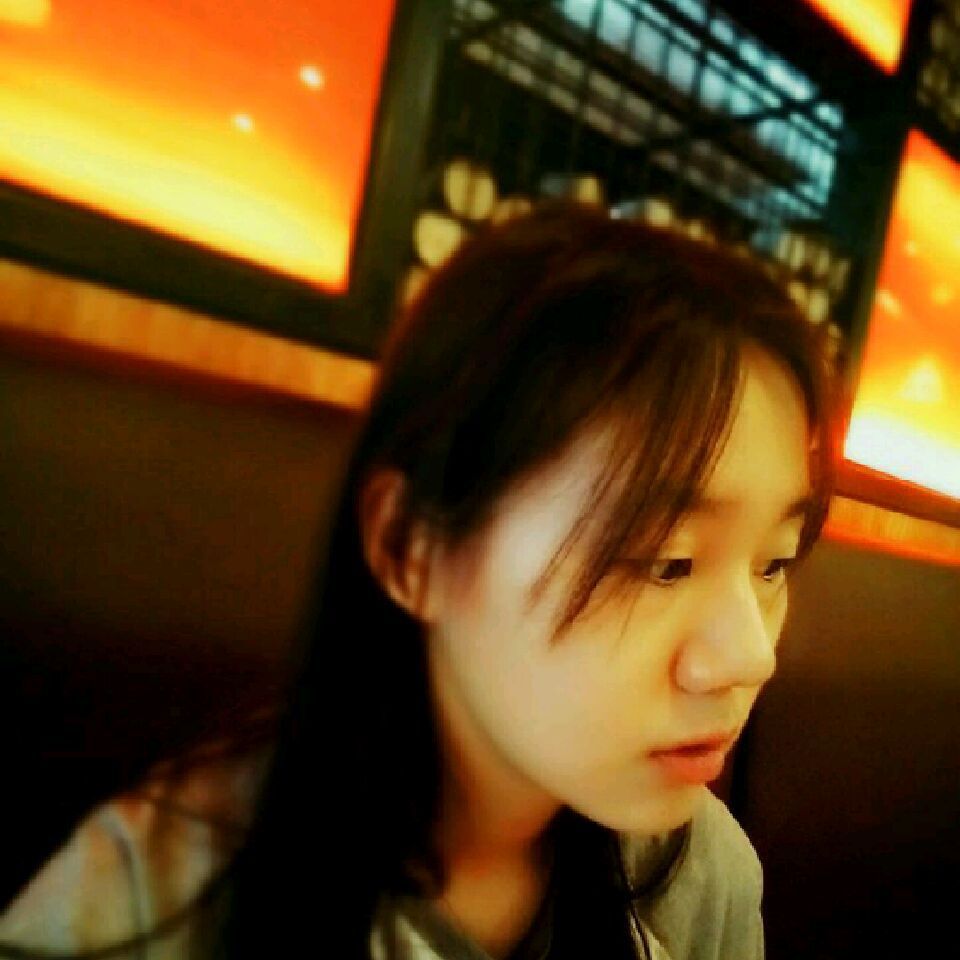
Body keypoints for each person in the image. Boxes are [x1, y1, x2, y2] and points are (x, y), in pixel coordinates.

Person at [0, 205, 836, 960]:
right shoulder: (151, 902)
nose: (751, 656)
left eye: (774, 563)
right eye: (666, 561)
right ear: (411, 548)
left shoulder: (700, 874)